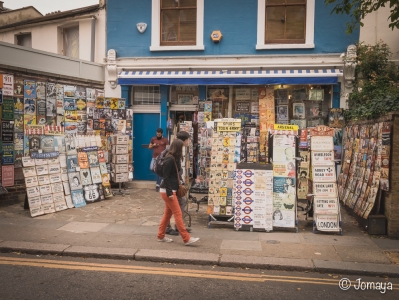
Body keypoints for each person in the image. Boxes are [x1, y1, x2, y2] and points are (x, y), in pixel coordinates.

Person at [157, 139, 200, 245]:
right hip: (169, 191)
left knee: (167, 214)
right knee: (178, 213)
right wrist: (170, 193)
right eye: (181, 147)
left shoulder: (172, 158)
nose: (182, 149)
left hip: (170, 190)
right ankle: (186, 238)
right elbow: (166, 177)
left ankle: (161, 235)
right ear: (178, 148)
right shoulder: (170, 159)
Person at [165, 131, 191, 236]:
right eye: (187, 140)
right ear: (184, 140)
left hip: (174, 185)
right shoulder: (172, 154)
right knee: (176, 208)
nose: (187, 142)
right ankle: (179, 229)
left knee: (177, 205)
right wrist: (169, 191)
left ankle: (177, 226)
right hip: (171, 186)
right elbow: (168, 174)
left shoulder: (175, 151)